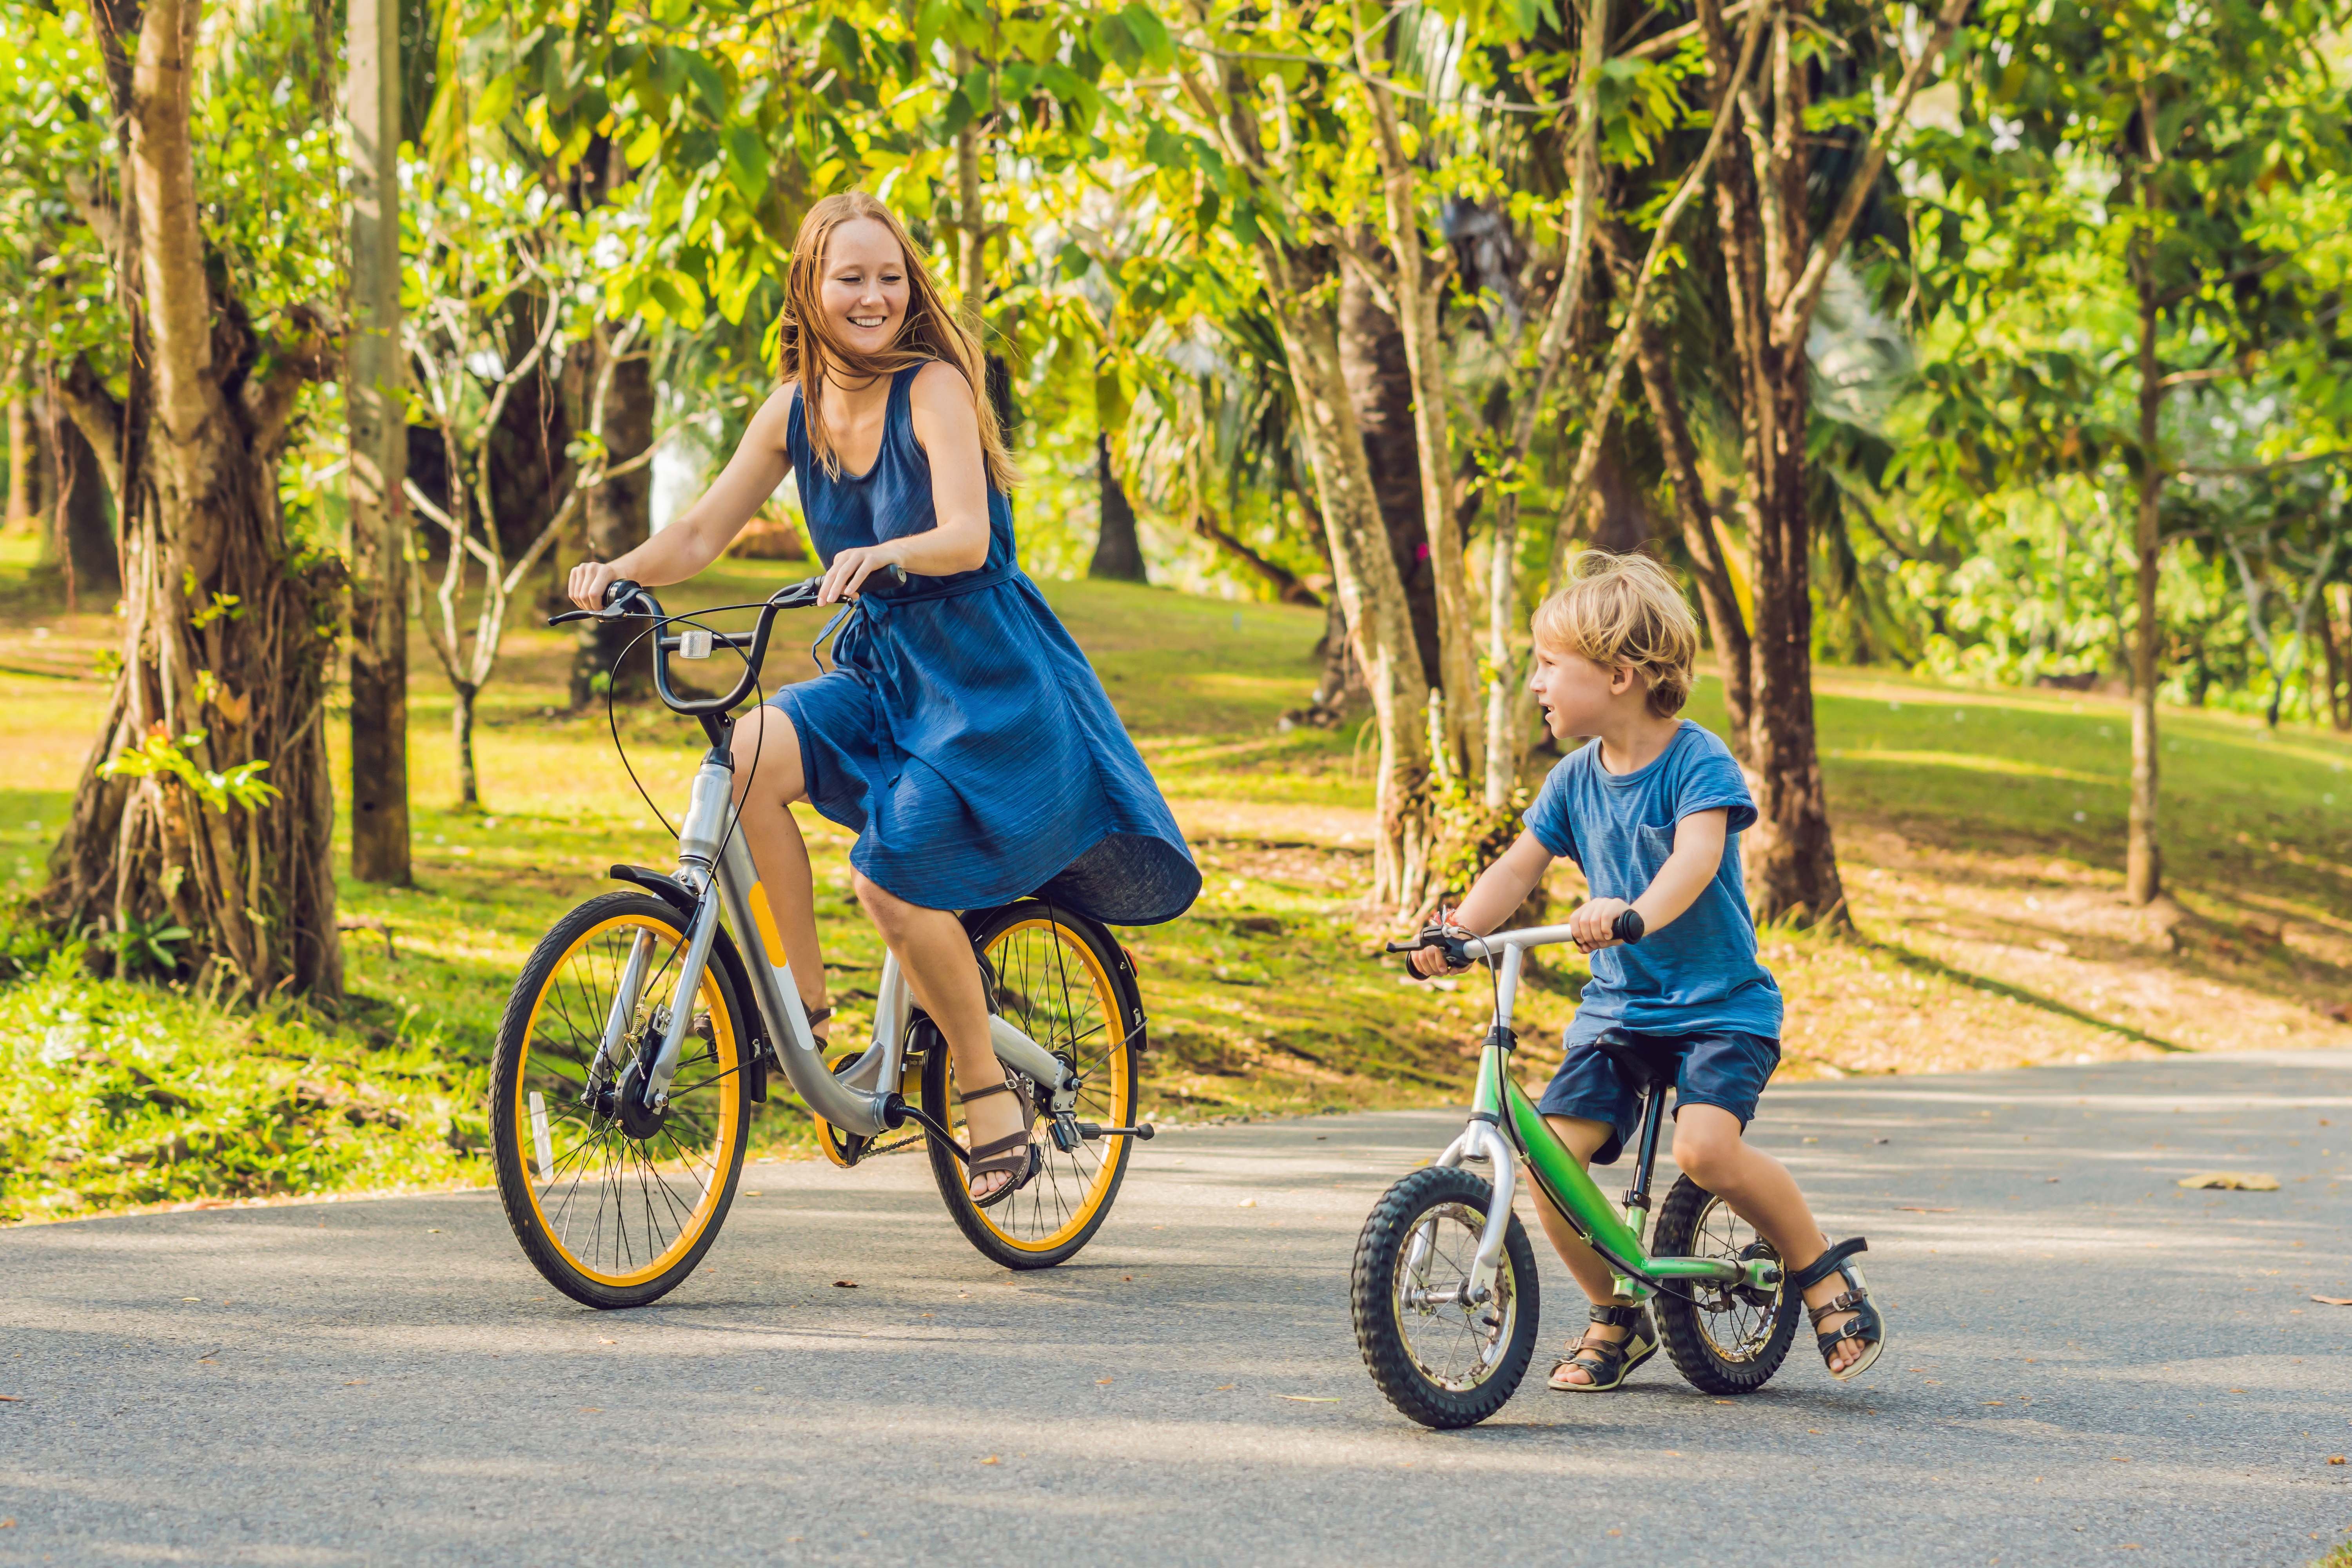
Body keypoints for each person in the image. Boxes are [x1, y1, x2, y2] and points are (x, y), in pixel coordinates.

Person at [568, 190, 1200, 1205]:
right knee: (748, 756)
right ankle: (805, 1015)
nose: (871, 296)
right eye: (849, 277)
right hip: (881, 670)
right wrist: (617, 571)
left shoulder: (934, 388)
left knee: (892, 880)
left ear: (909, 291)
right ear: (809, 290)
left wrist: (883, 553)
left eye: (889, 277)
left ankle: (988, 1093)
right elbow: (697, 536)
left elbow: (967, 538)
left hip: (985, 684)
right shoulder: (791, 411)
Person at [1409, 551, 1886, 1391]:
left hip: (1719, 1006)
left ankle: (1817, 1269)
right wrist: (1455, 932)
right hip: (1622, 1010)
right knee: (1550, 1164)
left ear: (1621, 674)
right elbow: (1516, 870)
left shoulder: (1696, 761)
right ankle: (1615, 1313)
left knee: (1704, 1150)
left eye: (1550, 665)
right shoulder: (1569, 780)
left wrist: (1629, 911)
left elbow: (1697, 860)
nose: (1535, 683)